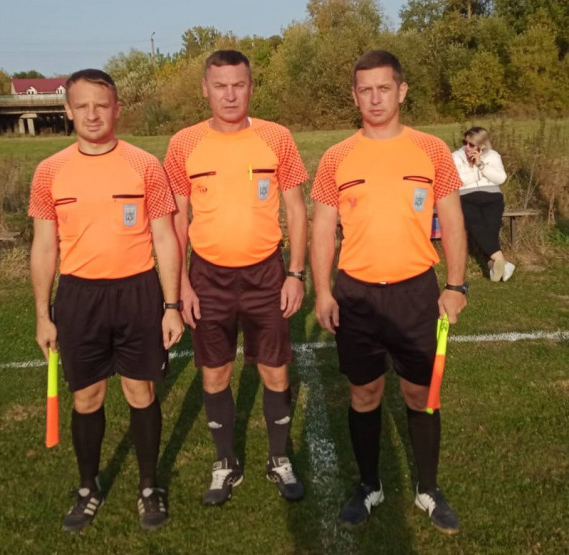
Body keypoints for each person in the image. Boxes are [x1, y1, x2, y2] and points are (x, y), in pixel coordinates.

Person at [310, 50, 467, 536]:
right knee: (365, 392)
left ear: (401, 91)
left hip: (416, 292)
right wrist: (323, 292)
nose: (375, 98)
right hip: (356, 295)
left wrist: (456, 285)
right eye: (365, 90)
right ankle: (369, 485)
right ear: (354, 96)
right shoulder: (336, 156)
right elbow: (322, 229)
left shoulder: (432, 150)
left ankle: (428, 488)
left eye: (384, 88)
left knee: (421, 393)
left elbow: (453, 220)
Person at [29, 69, 184, 532]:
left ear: (117, 109)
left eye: (102, 105)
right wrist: (42, 315)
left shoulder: (144, 165)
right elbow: (44, 247)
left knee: (141, 391)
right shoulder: (50, 171)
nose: (93, 114)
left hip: (138, 292)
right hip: (80, 297)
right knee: (87, 396)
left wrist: (171, 305)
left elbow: (165, 237)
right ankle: (87, 487)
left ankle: (149, 486)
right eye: (83, 106)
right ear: (68, 110)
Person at [164, 50, 308, 506]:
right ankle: (225, 461)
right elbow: (176, 219)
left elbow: (296, 210)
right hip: (208, 276)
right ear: (205, 89)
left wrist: (296, 273)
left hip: (267, 273)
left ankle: (278, 458)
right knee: (215, 372)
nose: (230, 95)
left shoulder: (277, 137)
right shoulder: (183, 143)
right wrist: (181, 285)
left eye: (238, 85)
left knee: (275, 370)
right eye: (220, 85)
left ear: (251, 87)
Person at [452, 127, 513, 281]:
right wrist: (479, 174)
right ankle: (501, 262)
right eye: (465, 143)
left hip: (492, 196)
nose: (467, 147)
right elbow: (457, 181)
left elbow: (500, 179)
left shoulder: (493, 156)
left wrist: (480, 165)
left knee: (491, 230)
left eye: (471, 144)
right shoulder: (456, 157)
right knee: (474, 224)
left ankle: (493, 265)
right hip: (466, 196)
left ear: (482, 145)